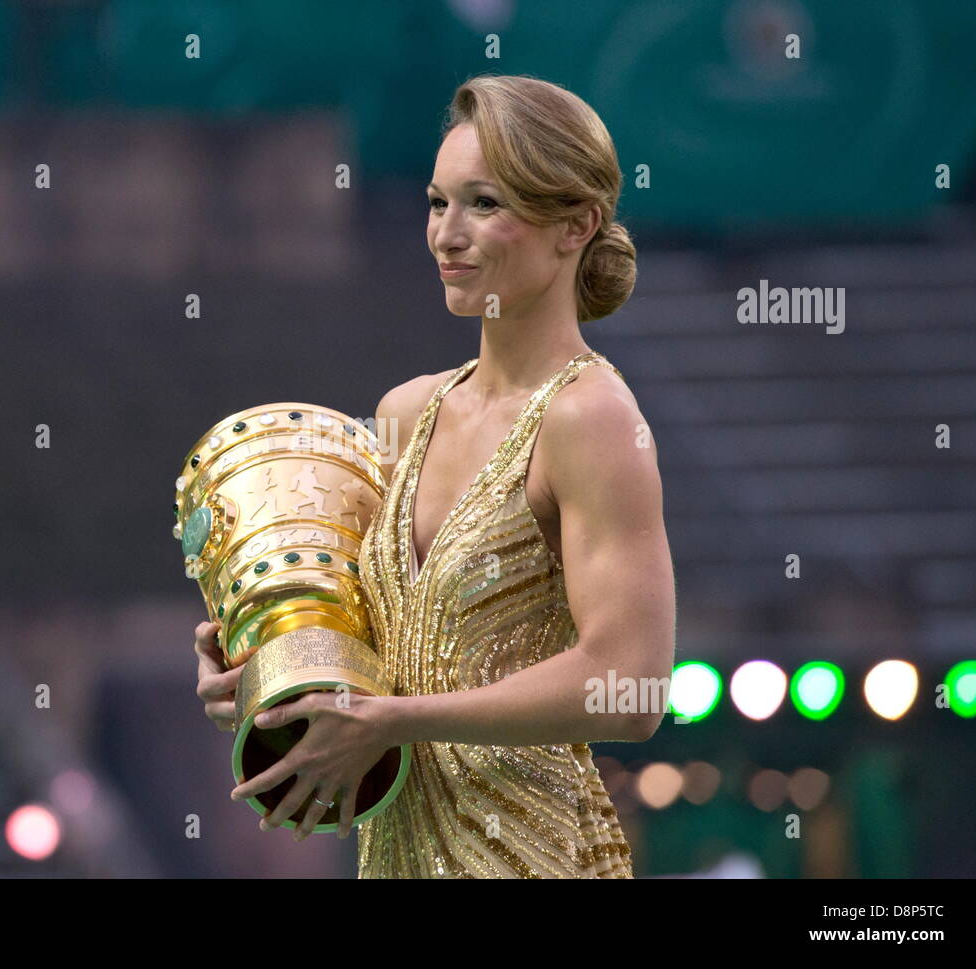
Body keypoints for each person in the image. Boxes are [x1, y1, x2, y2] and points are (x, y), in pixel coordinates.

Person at [195, 73, 675, 877]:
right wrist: (265, 668)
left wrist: (394, 721)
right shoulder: (406, 411)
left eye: (484, 204)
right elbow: (380, 651)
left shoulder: (590, 419)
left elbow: (630, 685)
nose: (446, 234)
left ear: (577, 225)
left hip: (536, 856)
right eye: (435, 201)